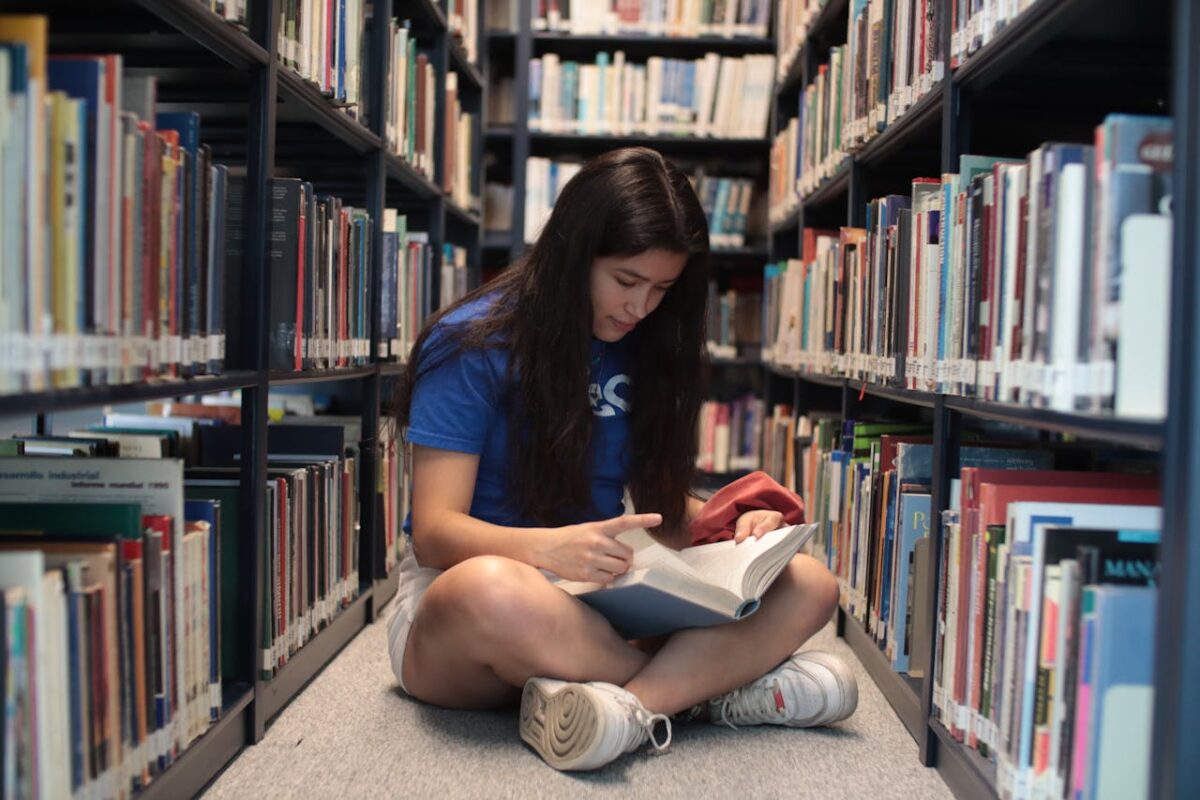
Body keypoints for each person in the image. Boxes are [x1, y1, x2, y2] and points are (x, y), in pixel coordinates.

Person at [387, 147, 857, 772]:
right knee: (492, 591)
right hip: (474, 606)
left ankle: (626, 710)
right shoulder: (472, 342)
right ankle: (711, 695)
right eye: (626, 281)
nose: (641, 308)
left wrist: (738, 530)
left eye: (662, 289)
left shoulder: (647, 346)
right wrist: (546, 550)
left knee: (810, 584)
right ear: (572, 258)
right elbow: (435, 536)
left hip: (600, 600)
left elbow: (653, 510)